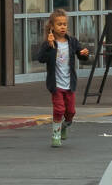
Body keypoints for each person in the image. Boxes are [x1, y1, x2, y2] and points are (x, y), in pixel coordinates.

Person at [35, 8, 90, 147]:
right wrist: (49, 46)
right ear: (52, 27)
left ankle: (65, 125)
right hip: (56, 84)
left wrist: (84, 54)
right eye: (59, 24)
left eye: (64, 24)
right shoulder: (49, 43)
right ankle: (56, 136)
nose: (62, 27)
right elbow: (40, 58)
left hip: (69, 84)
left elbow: (81, 55)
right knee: (59, 109)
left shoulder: (72, 42)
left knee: (71, 112)